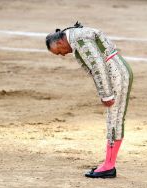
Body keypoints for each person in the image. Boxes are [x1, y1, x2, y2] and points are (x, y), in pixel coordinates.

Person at [45, 22, 133, 178]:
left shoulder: (79, 40)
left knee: (115, 119)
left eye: (59, 52)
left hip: (116, 76)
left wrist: (106, 94)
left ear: (60, 42)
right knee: (115, 118)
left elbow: (99, 66)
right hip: (117, 71)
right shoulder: (75, 35)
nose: (63, 55)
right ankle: (108, 164)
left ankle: (108, 166)